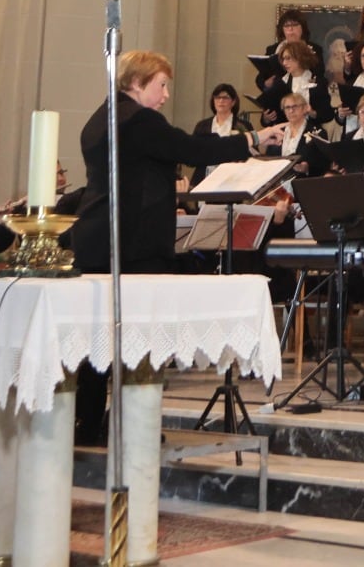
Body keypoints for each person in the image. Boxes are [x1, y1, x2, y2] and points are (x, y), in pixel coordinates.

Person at [73, 50, 285, 442]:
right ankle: (134, 429)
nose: (166, 94)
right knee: (138, 338)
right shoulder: (139, 119)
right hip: (133, 244)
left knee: (98, 341)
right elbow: (192, 149)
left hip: (97, 238)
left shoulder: (99, 118)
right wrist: (253, 138)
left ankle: (86, 424)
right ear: (137, 83)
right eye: (162, 85)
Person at [189, 82, 252, 186]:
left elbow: (252, 153)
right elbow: (193, 152)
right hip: (205, 179)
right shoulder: (202, 125)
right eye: (217, 97)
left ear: (233, 102)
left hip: (232, 179)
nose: (221, 101)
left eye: (225, 98)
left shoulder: (243, 126)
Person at [262, 41, 332, 128]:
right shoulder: (280, 83)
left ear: (300, 58)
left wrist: (311, 112)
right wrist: (266, 118)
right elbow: (270, 114)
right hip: (285, 132)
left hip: (310, 132)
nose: (284, 63)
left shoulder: (319, 82)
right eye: (283, 59)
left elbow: (328, 115)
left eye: (288, 58)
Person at [258, 8, 323, 93]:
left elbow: (320, 75)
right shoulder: (272, 49)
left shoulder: (315, 49)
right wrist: (266, 84)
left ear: (302, 28)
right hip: (278, 95)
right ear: (282, 29)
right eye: (286, 26)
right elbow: (260, 78)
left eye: (295, 25)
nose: (290, 29)